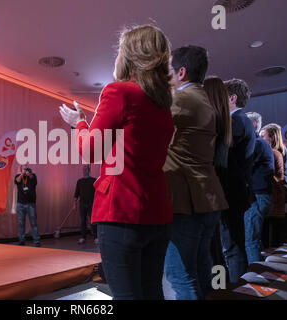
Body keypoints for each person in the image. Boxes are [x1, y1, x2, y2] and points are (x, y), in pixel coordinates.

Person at [59, 25, 174, 300]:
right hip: (157, 212)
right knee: (152, 291)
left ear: (130, 56)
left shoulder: (120, 92)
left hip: (122, 212)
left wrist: (79, 124)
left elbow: (90, 152)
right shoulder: (163, 105)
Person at [163, 47, 228, 300]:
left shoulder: (182, 99)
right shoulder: (204, 100)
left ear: (181, 72)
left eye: (168, 71)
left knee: (181, 276)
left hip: (187, 201)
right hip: (208, 198)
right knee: (201, 269)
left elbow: (144, 121)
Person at [220, 79, 256, 283]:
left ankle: (237, 290)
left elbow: (221, 152)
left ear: (232, 98)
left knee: (232, 246)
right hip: (235, 191)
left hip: (231, 192)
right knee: (232, 244)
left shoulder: (237, 122)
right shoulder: (241, 121)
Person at [203, 77, 233, 268]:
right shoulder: (225, 122)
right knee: (216, 251)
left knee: (210, 252)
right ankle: (220, 288)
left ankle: (218, 289)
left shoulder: (209, 122)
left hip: (207, 194)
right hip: (218, 191)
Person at [244, 112, 274, 263]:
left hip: (258, 196)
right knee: (254, 240)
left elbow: (245, 165)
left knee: (251, 241)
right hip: (262, 195)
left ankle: (254, 279)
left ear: (253, 125)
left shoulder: (257, 143)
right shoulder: (262, 144)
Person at [260, 124, 286, 217]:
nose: (260, 139)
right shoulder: (276, 152)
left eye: (263, 136)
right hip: (276, 194)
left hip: (273, 194)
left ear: (272, 138)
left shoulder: (273, 153)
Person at [14, 165, 41, 247]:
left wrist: (30, 174)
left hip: (30, 203)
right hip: (20, 203)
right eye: (24, 168)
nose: (25, 170)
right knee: (21, 223)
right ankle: (21, 240)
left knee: (33, 222)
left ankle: (36, 241)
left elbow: (34, 181)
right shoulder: (18, 176)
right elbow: (17, 181)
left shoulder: (33, 176)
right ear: (21, 169)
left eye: (27, 168)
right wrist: (22, 174)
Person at [73, 165, 97, 245]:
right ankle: (83, 237)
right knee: (83, 221)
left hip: (91, 204)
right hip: (82, 204)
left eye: (86, 169)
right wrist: (74, 204)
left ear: (89, 170)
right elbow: (76, 193)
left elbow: (98, 193)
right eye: (83, 169)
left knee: (92, 221)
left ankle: (96, 237)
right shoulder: (79, 181)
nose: (84, 170)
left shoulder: (93, 180)